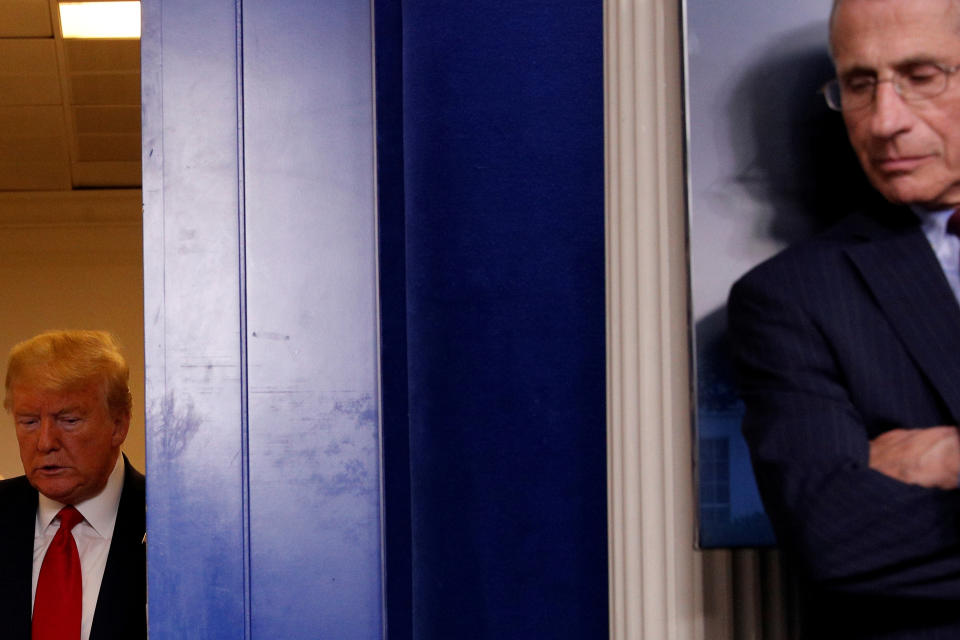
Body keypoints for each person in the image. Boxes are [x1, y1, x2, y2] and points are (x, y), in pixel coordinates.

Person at [728, 0, 960, 637]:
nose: (884, 121)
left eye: (921, 75)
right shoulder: (791, 298)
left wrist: (950, 456)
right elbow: (838, 540)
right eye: (860, 83)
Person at [0, 330, 145, 640]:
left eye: (69, 420)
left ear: (119, 424)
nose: (45, 442)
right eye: (29, 421)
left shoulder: (176, 528)